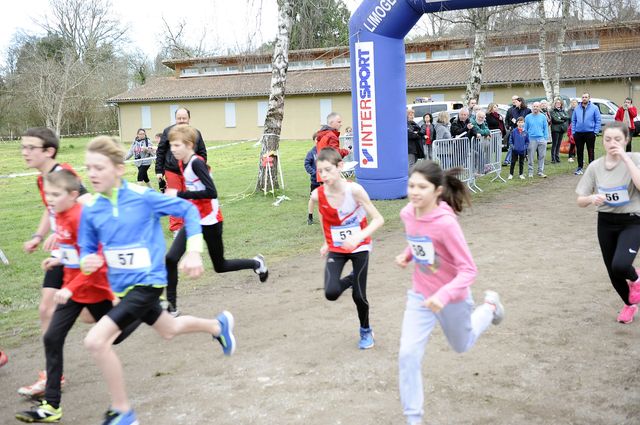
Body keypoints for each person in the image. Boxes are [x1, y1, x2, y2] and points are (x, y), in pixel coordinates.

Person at [79, 136, 235, 424]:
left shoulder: (142, 197)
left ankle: (123, 411)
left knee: (96, 341)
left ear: (119, 169)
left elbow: (188, 210)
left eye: (99, 168)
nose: (92, 174)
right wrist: (87, 260)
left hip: (148, 283)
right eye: (88, 168)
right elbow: (86, 249)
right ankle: (217, 326)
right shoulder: (91, 209)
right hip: (122, 289)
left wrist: (194, 251)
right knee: (169, 329)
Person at [15, 170, 137, 423]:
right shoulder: (60, 215)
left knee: (116, 336)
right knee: (52, 336)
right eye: (48, 195)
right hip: (73, 290)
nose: (50, 199)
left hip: (94, 287)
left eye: (55, 194)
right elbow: (73, 250)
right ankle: (52, 405)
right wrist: (59, 259)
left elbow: (95, 259)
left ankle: (142, 310)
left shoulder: (82, 218)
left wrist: (70, 287)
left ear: (73, 195)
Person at [396, 160, 504, 425]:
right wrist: (407, 254)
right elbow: (420, 240)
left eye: (422, 187)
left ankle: (490, 307)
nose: (415, 192)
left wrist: (443, 296)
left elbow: (468, 270)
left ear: (437, 191)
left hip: (452, 298)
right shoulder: (407, 213)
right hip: (420, 296)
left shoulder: (446, 223)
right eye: (411, 185)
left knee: (462, 345)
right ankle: (413, 419)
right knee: (408, 354)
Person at [164, 125, 268, 316]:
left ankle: (256, 263)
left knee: (220, 266)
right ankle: (172, 307)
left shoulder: (197, 163)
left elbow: (211, 192)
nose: (172, 149)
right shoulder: (181, 163)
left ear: (189, 145)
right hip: (194, 220)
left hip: (211, 221)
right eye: (171, 145)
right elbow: (194, 192)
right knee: (171, 258)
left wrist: (179, 194)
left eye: (176, 145)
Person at [18, 127, 89, 398]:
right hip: (62, 254)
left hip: (78, 253)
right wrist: (39, 235)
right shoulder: (43, 179)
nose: (25, 152)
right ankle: (53, 375)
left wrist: (64, 233)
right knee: (46, 309)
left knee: (88, 314)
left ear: (49, 151)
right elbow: (51, 210)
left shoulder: (64, 173)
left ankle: (139, 308)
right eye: (23, 147)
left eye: (31, 148)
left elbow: (87, 205)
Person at [309, 148, 384, 349]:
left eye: (328, 170)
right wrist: (327, 241)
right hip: (338, 247)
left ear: (340, 166)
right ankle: (352, 279)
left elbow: (378, 219)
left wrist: (359, 236)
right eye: (320, 171)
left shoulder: (355, 190)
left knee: (359, 296)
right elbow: (324, 216)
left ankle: (366, 330)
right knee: (331, 292)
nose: (324, 175)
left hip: (360, 247)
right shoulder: (317, 195)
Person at [576, 121, 640, 324]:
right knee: (613, 271)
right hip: (605, 221)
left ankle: (636, 279)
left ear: (626, 140)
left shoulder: (635, 159)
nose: (613, 143)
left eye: (618, 139)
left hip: (632, 220)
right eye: (608, 139)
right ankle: (629, 305)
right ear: (602, 141)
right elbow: (580, 200)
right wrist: (591, 198)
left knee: (621, 265)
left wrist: (624, 157)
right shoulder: (595, 167)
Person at [155, 107, 208, 233]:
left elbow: (202, 152)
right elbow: (160, 151)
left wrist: (200, 167)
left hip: (190, 171)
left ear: (189, 119)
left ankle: (192, 223)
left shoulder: (196, 133)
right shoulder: (168, 131)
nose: (181, 120)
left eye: (184, 118)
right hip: (172, 170)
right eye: (179, 118)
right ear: (175, 119)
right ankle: (176, 227)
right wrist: (159, 170)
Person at [571, 92, 601, 175]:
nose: (584, 98)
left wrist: (595, 132)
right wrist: (573, 132)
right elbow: (573, 120)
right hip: (578, 133)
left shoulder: (594, 108)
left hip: (590, 133)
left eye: (586, 97)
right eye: (583, 97)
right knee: (579, 151)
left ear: (589, 98)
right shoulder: (577, 108)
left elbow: (598, 120)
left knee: (590, 151)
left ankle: (591, 169)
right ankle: (580, 167)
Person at [316, 112, 351, 181]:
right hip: (330, 172)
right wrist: (346, 151)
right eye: (339, 122)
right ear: (331, 122)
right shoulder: (331, 136)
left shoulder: (322, 135)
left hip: (321, 173)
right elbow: (335, 154)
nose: (341, 124)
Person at [503, 97, 531, 166]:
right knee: (512, 145)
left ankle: (523, 158)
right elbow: (511, 118)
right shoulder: (513, 110)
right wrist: (510, 125)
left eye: (516, 102)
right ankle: (507, 160)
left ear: (520, 102)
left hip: (524, 131)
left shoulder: (527, 110)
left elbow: (528, 121)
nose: (515, 103)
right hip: (515, 130)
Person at [525, 102, 549, 178]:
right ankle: (530, 172)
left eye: (537, 106)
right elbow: (525, 129)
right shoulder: (528, 117)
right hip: (531, 139)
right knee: (531, 157)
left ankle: (540, 171)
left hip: (541, 139)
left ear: (539, 108)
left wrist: (545, 138)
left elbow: (545, 128)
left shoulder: (543, 117)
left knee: (542, 156)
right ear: (532, 107)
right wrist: (526, 139)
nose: (535, 108)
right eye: (534, 106)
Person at [305, 133, 320, 225]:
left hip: (325, 181)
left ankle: (328, 217)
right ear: (314, 140)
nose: (319, 141)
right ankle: (310, 217)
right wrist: (314, 173)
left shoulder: (326, 151)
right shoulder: (311, 153)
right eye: (317, 139)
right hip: (315, 181)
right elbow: (307, 164)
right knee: (313, 198)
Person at [550, 98, 569, 164]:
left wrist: (561, 118)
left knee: (559, 144)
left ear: (561, 104)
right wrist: (563, 119)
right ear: (554, 104)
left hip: (561, 129)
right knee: (554, 144)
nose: (558, 104)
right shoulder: (552, 111)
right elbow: (555, 119)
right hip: (555, 130)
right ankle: (553, 159)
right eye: (557, 103)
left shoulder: (563, 110)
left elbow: (567, 117)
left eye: (559, 103)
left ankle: (557, 158)